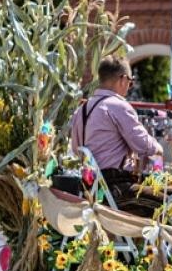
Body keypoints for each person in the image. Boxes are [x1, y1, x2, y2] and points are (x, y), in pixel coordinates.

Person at [69, 55, 163, 205]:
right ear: (123, 79)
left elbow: (75, 149)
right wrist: (159, 148)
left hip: (90, 188)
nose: (129, 86)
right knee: (171, 202)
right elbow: (142, 144)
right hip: (116, 189)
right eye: (130, 82)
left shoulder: (82, 109)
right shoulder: (118, 106)